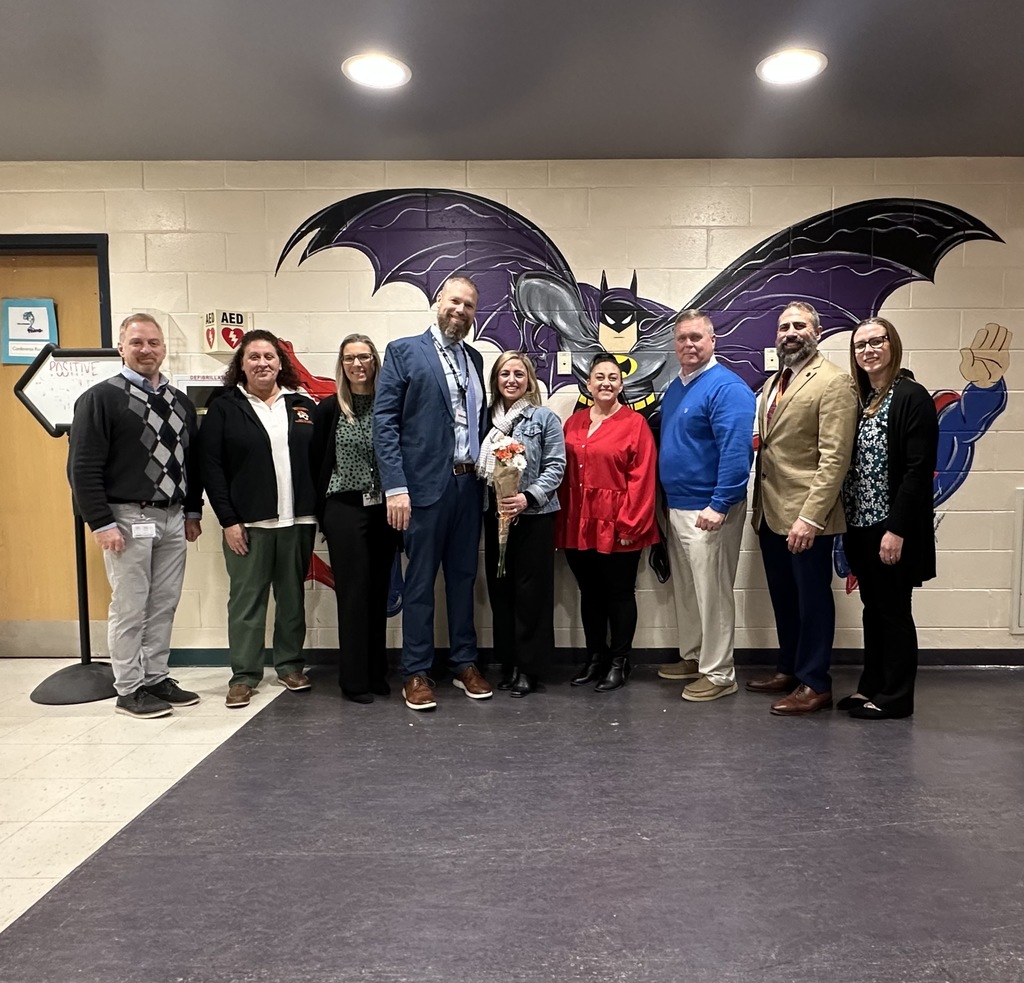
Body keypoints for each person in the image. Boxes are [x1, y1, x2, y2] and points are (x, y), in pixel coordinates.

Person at [68, 312, 203, 718]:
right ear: (121, 348)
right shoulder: (100, 398)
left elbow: (189, 462)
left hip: (173, 517)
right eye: (138, 343)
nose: (147, 350)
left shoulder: (179, 402)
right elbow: (82, 467)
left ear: (164, 348)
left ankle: (156, 676)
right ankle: (128, 688)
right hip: (125, 517)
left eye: (154, 343)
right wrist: (100, 522)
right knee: (130, 604)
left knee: (164, 602)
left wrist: (193, 510)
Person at [373, 276, 493, 711]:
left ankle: (464, 662)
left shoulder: (476, 359)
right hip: (421, 489)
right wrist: (396, 487)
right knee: (420, 583)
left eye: (469, 306)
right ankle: (417, 671)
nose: (460, 310)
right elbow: (384, 424)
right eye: (454, 301)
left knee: (463, 579)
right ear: (438, 302)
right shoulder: (405, 352)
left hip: (467, 486)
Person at [748, 301, 859, 715]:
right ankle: (790, 668)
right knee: (784, 596)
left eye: (799, 325)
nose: (790, 332)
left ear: (817, 330)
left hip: (805, 516)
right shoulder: (777, 381)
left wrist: (811, 517)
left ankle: (815, 681)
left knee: (812, 598)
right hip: (771, 511)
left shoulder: (833, 382)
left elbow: (834, 458)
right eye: (783, 327)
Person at [198, 330, 317, 709]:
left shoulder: (302, 405)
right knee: (247, 602)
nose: (262, 363)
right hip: (248, 525)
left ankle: (290, 665)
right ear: (242, 364)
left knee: (293, 599)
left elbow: (317, 460)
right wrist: (228, 519)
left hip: (298, 520)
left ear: (281, 363)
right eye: (254, 357)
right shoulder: (225, 406)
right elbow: (211, 467)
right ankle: (244, 675)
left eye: (269, 356)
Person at [840, 318, 938, 720]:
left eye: (877, 341)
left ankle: (896, 697)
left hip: (891, 527)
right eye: (861, 345)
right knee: (872, 608)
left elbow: (917, 471)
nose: (869, 350)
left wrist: (895, 529)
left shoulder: (911, 396)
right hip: (861, 525)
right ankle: (871, 686)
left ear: (892, 344)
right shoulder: (865, 399)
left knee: (894, 610)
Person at [658, 309, 756, 702]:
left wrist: (719, 503)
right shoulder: (677, 387)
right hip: (678, 506)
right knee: (689, 590)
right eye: (682, 338)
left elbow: (736, 453)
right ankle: (695, 655)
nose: (689, 345)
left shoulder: (727, 388)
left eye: (697, 337)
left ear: (713, 341)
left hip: (709, 510)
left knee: (713, 592)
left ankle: (719, 674)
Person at [557, 352, 658, 692]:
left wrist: (631, 525)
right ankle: (595, 658)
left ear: (621, 384)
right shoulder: (573, 423)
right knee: (590, 594)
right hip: (579, 524)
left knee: (619, 594)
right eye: (599, 377)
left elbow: (642, 478)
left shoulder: (635, 424)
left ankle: (619, 661)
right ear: (588, 383)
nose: (606, 382)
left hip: (618, 525)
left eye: (612, 377)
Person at [311, 334, 398, 704]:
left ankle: (377, 672)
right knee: (353, 593)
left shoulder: (389, 406)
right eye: (349, 358)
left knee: (379, 590)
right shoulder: (330, 409)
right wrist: (320, 515)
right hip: (343, 508)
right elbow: (316, 461)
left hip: (384, 508)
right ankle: (354, 680)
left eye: (364, 357)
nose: (357, 364)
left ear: (375, 361)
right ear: (341, 365)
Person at [477, 351, 566, 697]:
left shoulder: (545, 419)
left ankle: (530, 668)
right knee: (501, 590)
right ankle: (509, 661)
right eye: (504, 374)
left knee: (531, 594)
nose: (511, 380)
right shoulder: (485, 420)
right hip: (494, 514)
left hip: (533, 517)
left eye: (518, 374)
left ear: (529, 379)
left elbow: (556, 466)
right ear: (495, 381)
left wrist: (528, 497)